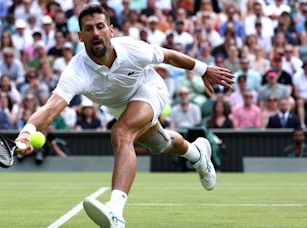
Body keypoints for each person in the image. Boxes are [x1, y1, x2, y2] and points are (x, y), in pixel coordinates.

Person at [14, 5, 234, 228]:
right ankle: (197, 154)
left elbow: (169, 56)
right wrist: (26, 132)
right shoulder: (76, 71)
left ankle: (115, 212)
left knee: (121, 133)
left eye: (100, 27)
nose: (96, 33)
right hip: (120, 107)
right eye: (89, 29)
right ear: (80, 36)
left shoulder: (132, 48)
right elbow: (51, 108)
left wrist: (203, 70)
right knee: (161, 144)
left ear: (111, 31)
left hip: (149, 89)